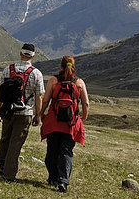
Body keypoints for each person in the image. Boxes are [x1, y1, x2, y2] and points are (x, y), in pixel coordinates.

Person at [0, 43, 44, 182]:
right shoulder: (36, 73)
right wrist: (38, 115)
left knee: (5, 137)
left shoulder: (8, 70)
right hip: (25, 113)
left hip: (8, 110)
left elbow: (1, 93)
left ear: (20, 54)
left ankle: (1, 164)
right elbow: (38, 96)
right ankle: (9, 175)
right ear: (33, 56)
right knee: (16, 143)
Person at [40, 55, 89, 193]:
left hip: (54, 122)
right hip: (71, 124)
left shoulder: (54, 80)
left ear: (61, 66)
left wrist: (41, 114)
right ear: (73, 67)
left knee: (52, 151)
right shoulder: (79, 83)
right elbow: (85, 102)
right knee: (66, 152)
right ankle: (63, 181)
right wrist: (83, 117)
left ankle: (52, 177)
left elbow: (46, 100)